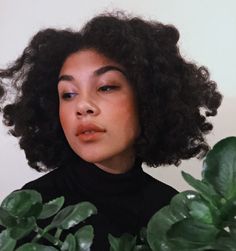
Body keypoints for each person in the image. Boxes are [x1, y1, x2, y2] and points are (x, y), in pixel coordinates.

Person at [0, 12, 222, 250]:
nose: (82, 106)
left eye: (106, 87)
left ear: (147, 98)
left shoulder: (176, 216)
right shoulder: (28, 212)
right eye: (68, 94)